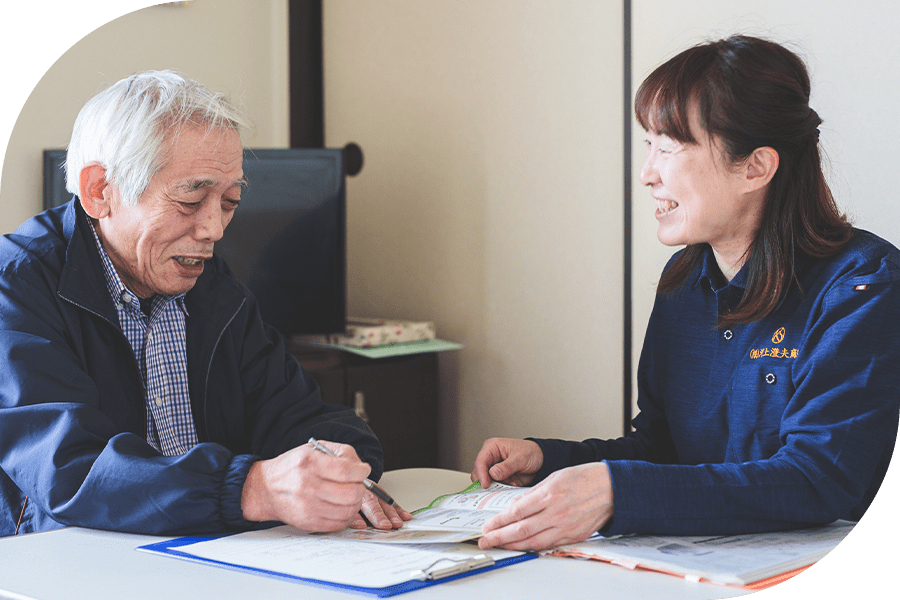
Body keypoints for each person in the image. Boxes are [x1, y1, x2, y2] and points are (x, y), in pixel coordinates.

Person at [471, 35, 900, 551]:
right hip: (701, 563)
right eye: (648, 144)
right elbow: (665, 448)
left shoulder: (863, 284)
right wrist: (552, 459)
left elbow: (818, 480)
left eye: (669, 148)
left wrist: (617, 491)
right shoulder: (684, 281)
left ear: (755, 167)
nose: (648, 174)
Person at [0, 70, 411, 537]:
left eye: (230, 202)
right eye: (191, 199)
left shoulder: (211, 285)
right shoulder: (14, 287)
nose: (214, 229)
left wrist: (340, 467)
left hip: (208, 551)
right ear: (100, 191)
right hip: (74, 561)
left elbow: (300, 415)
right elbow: (71, 470)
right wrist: (250, 489)